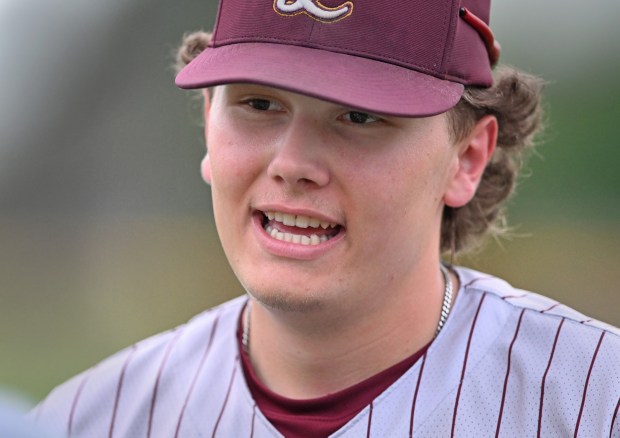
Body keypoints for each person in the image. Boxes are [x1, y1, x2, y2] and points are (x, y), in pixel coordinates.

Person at [31, 0, 620, 436]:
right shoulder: (90, 419)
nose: (292, 164)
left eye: (360, 117)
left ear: (466, 158)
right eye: (259, 105)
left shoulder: (595, 401)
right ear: (208, 119)